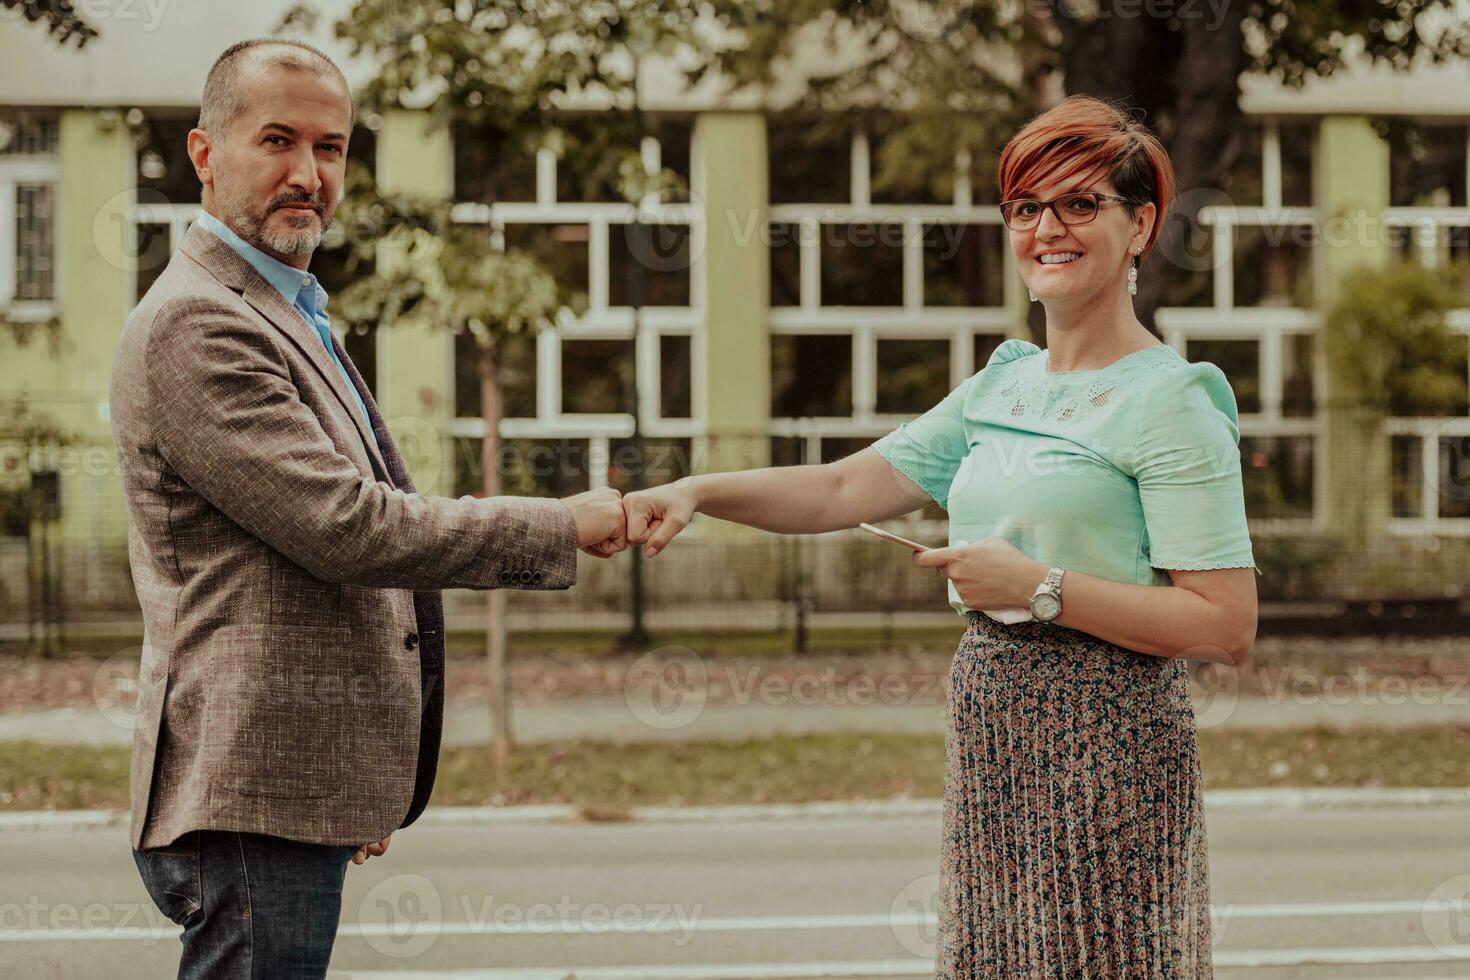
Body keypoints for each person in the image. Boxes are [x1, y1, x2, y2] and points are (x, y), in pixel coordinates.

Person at [623, 95, 1259, 976]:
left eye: (1080, 204)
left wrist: (1041, 586)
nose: (1048, 228)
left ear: (1142, 224)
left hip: (1109, 738)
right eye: (1026, 207)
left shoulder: (1174, 401)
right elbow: (844, 486)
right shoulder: (1003, 383)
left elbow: (1223, 625)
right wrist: (698, 490)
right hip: (993, 721)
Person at [108, 39, 628, 979]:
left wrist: (349, 777)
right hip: (249, 797)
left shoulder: (285, 302)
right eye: (278, 140)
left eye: (333, 148)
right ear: (204, 153)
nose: (309, 174)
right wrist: (559, 526)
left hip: (286, 785)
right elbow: (351, 526)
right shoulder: (199, 320)